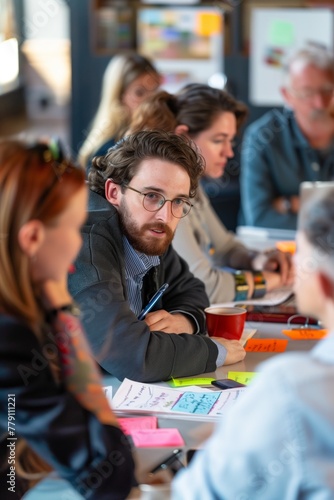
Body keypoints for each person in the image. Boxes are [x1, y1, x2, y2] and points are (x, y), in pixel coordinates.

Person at [172, 187, 334, 499]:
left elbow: (195, 494)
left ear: (323, 283)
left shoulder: (291, 391)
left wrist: (230, 440)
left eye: (299, 252)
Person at [0, 140, 135, 499]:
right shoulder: (9, 341)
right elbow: (108, 477)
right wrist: (64, 316)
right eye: (74, 229)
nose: (79, 244)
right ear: (32, 238)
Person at [68, 130, 246, 382]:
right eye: (152, 196)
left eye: (178, 201)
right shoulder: (83, 243)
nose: (166, 216)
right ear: (114, 192)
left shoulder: (148, 231)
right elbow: (132, 357)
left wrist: (183, 321)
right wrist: (216, 351)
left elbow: (192, 290)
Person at [128, 84, 292, 303]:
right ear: (184, 137)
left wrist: (256, 259)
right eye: (218, 140)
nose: (229, 152)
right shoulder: (167, 196)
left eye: (230, 140)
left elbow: (224, 247)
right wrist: (270, 280)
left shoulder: (193, 183)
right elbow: (204, 286)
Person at [241, 44, 334, 230]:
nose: (319, 102)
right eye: (307, 92)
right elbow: (260, 218)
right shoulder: (263, 138)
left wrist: (292, 204)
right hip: (279, 250)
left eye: (327, 90)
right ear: (287, 95)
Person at [78, 53, 160, 170]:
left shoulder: (161, 137)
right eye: (139, 93)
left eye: (155, 90)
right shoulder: (106, 151)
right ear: (119, 97)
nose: (151, 101)